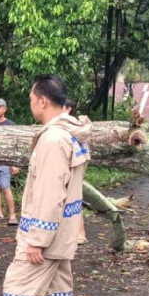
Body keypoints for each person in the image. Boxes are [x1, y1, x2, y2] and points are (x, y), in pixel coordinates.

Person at [0, 75, 91, 296]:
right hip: (65, 233)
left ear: (42, 101)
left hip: (47, 236)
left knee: (18, 289)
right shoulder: (70, 133)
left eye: (31, 99)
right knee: (56, 290)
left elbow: (50, 194)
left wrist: (36, 239)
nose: (30, 104)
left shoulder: (54, 139)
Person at [63, 98, 87, 245]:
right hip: (72, 161)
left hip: (76, 161)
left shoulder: (72, 124)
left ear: (68, 108)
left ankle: (80, 232)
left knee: (74, 198)